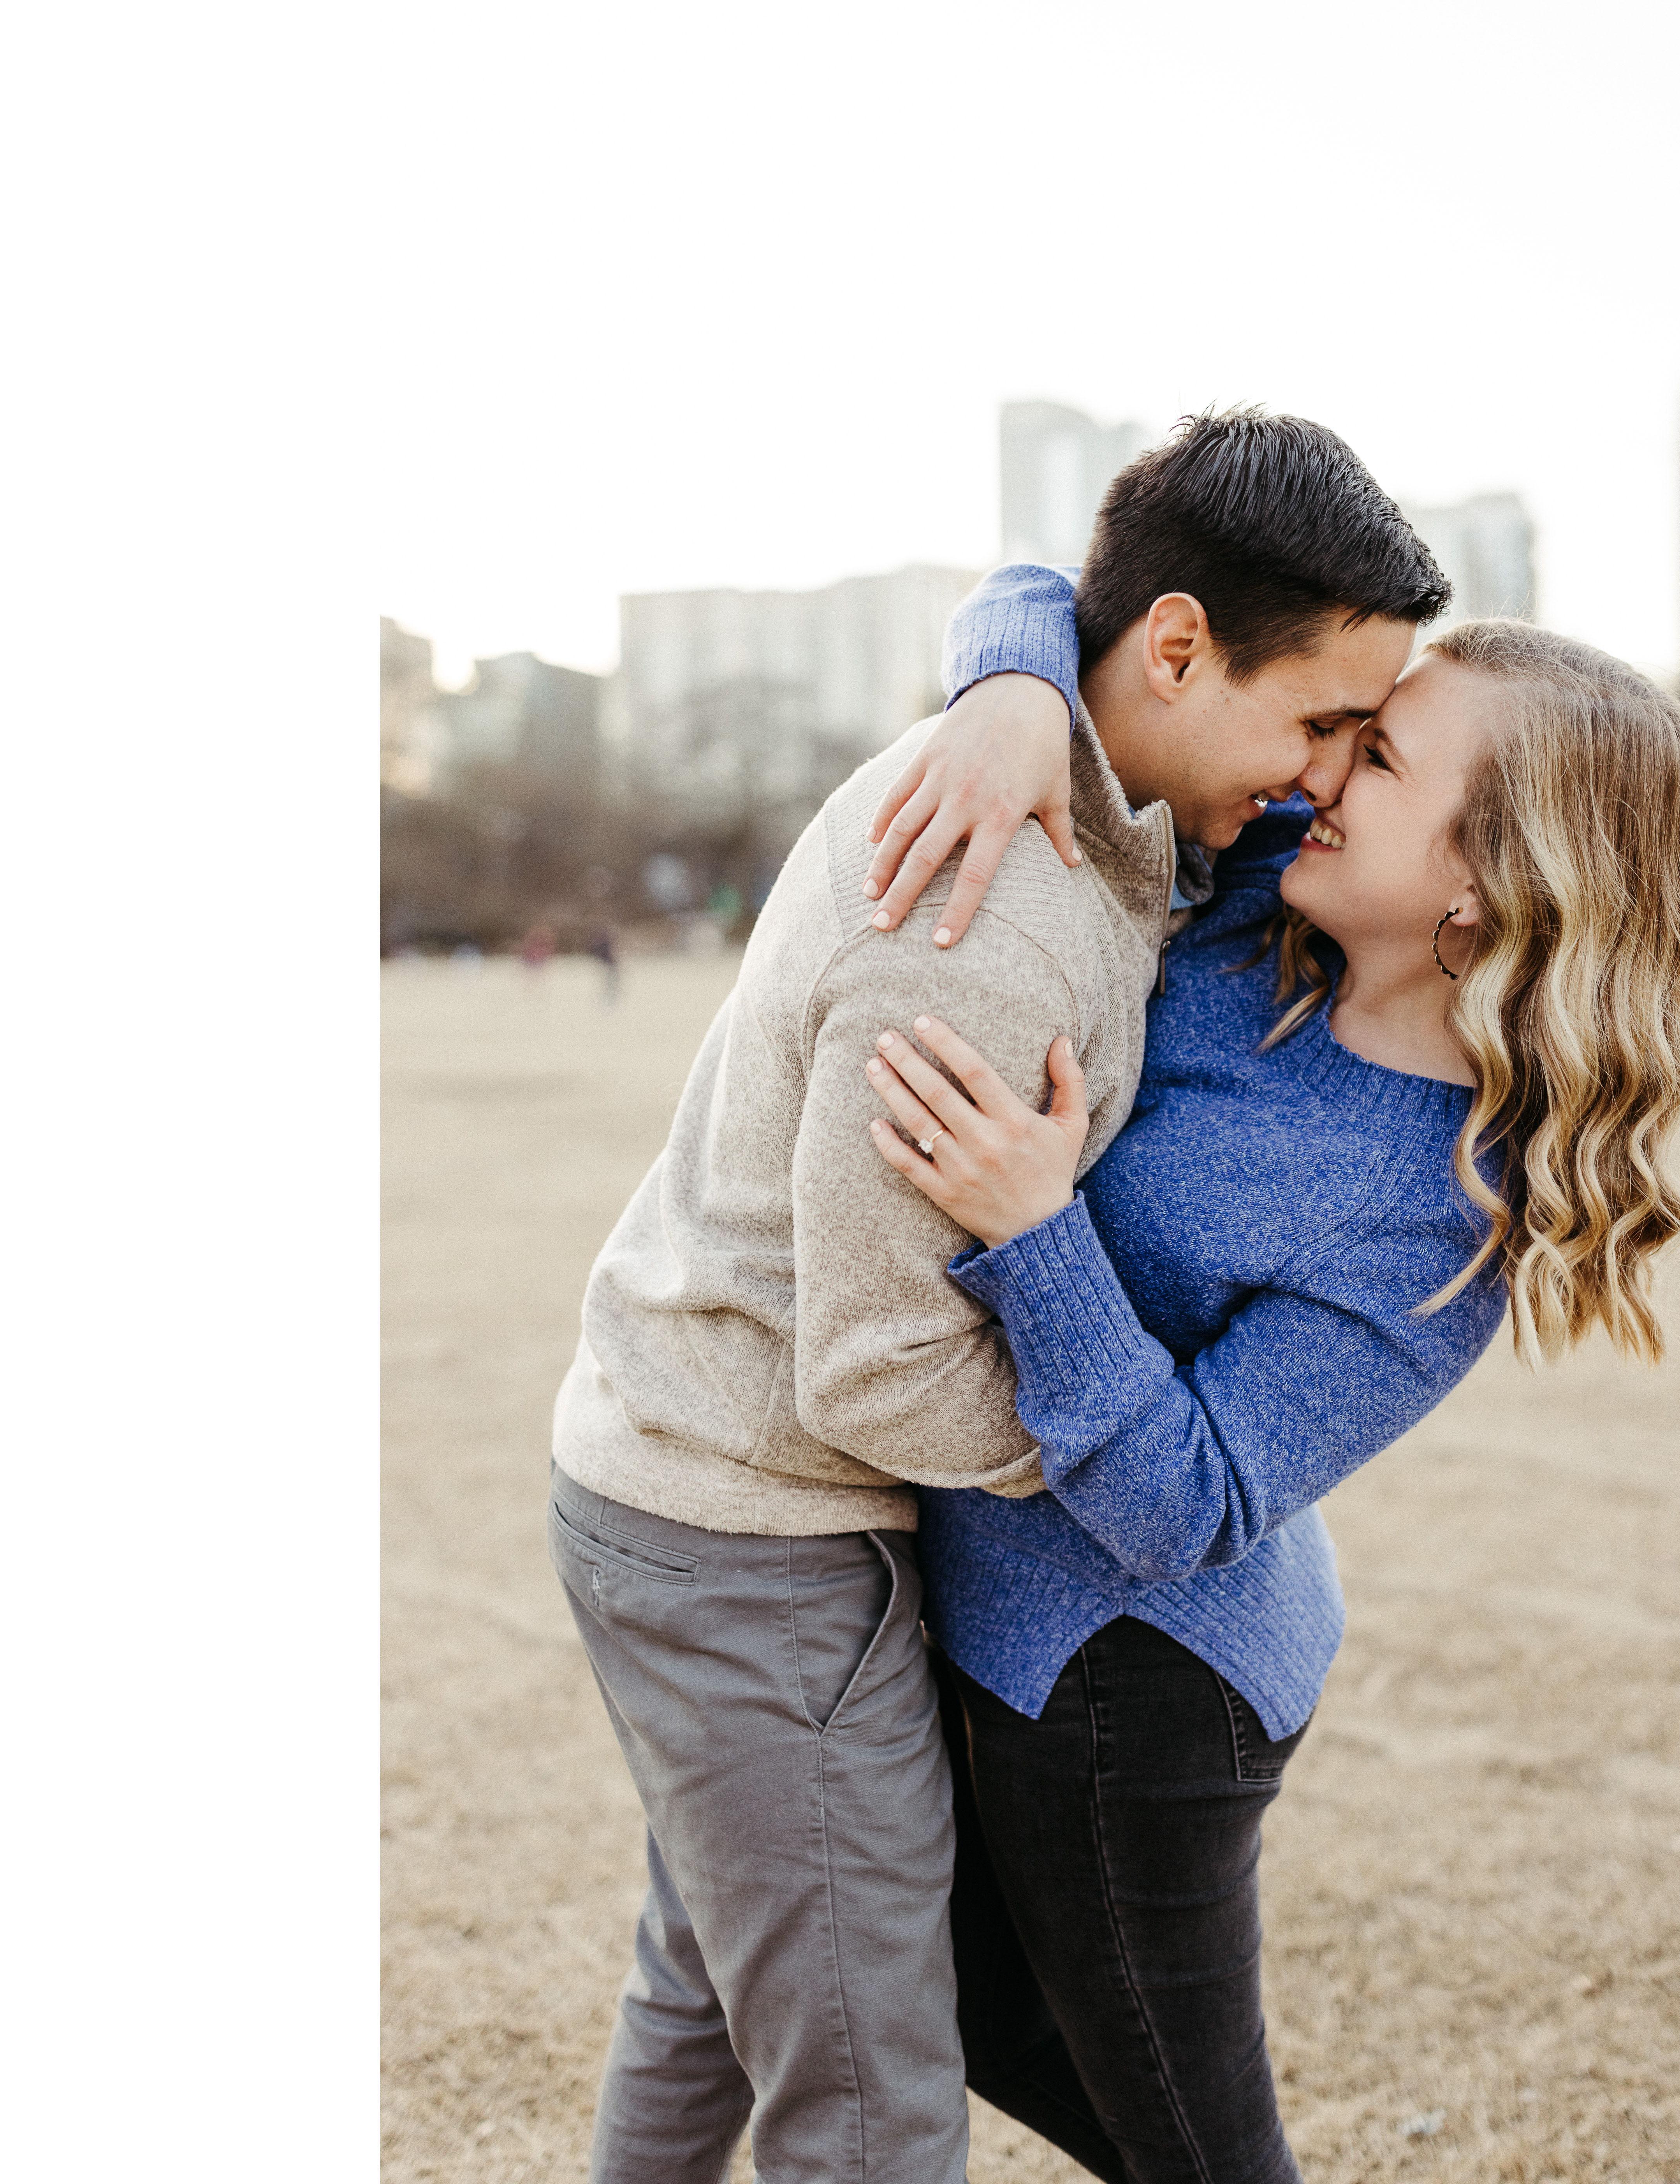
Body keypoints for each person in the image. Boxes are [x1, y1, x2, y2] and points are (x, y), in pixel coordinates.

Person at [544, 408, 1448, 2184]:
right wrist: (1125, 1467)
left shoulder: (1113, 809)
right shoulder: (993, 922)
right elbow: (882, 1370)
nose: (1329, 778)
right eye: (1322, 723)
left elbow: (1061, 602)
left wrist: (1019, 663)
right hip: (750, 1526)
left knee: (708, 1982)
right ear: (1177, 651)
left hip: (684, 1471)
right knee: (872, 2101)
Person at [855, 569, 1680, 2182]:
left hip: (1138, 1692)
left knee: (1193, 2144)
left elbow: (1185, 1505)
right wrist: (1013, 698)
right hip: (1002, 1620)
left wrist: (1037, 1230)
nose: (1322, 770)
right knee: (965, 2010)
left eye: (1378, 758)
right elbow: (1075, 599)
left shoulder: (1441, 1217)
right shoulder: (1267, 881)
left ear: (1488, 881)